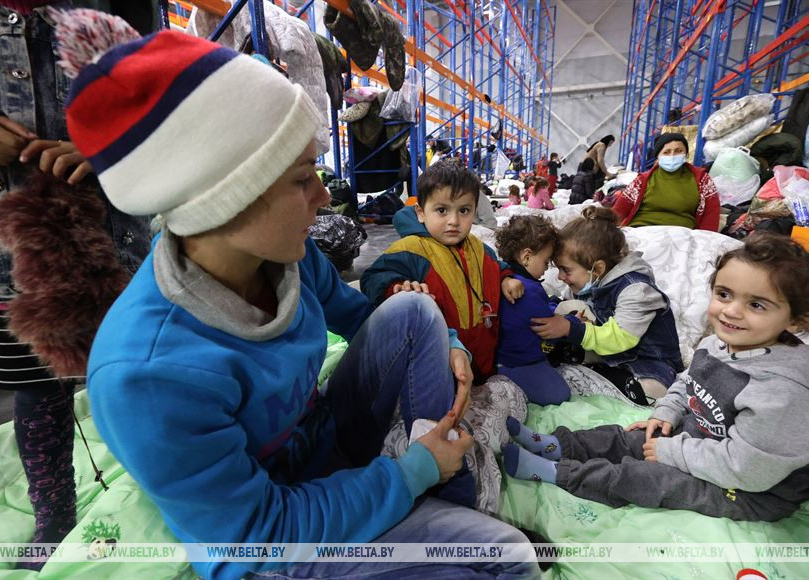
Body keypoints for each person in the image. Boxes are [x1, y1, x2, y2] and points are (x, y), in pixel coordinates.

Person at [55, 11, 538, 579]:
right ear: (227, 198)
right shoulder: (148, 372)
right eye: (303, 177)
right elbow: (258, 535)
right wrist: (409, 474)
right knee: (501, 562)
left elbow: (364, 316)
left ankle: (443, 485)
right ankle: (430, 484)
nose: (324, 199)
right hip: (275, 534)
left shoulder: (287, 255)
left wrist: (449, 340)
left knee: (415, 311)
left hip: (321, 446)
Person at [0, 1, 150, 567]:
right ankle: (53, 514)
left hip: (113, 246)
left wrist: (107, 149)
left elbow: (158, 112)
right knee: (36, 394)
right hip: (5, 262)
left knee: (141, 373)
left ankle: (162, 480)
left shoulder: (102, 23)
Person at [502, 233, 809, 522]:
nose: (731, 311)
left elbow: (745, 469)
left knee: (648, 478)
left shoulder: (786, 391)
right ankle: (556, 445)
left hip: (747, 491)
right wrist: (666, 413)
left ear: (797, 321)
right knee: (626, 437)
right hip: (701, 442)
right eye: (724, 294)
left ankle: (558, 473)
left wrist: (671, 452)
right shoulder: (718, 343)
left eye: (757, 305)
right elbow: (688, 382)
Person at [362, 160, 525, 384]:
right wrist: (396, 288)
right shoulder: (410, 250)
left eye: (464, 211)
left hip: (483, 361)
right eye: (441, 210)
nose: (454, 221)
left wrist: (506, 278)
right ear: (421, 212)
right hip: (437, 368)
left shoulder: (478, 248)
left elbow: (497, 266)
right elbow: (372, 278)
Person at [530, 207, 684, 404]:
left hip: (648, 362)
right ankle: (591, 369)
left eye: (566, 270)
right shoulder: (587, 283)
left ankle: (611, 380)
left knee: (653, 391)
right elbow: (569, 307)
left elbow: (619, 337)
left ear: (598, 268)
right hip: (610, 357)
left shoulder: (636, 290)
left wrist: (572, 329)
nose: (560, 277)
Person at [495, 215, 570, 406]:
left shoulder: (503, 279)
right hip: (522, 362)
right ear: (526, 257)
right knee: (561, 395)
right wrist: (570, 319)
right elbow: (548, 327)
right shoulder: (529, 289)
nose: (546, 270)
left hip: (502, 353)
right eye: (545, 262)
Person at [613, 132, 721, 231]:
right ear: (658, 157)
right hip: (641, 231)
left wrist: (705, 240)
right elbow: (619, 211)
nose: (672, 155)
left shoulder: (702, 180)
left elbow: (711, 215)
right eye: (666, 152)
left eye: (678, 151)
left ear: (686, 154)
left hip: (681, 236)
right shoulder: (642, 181)